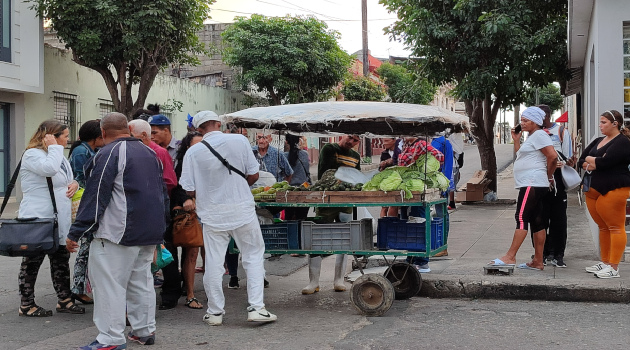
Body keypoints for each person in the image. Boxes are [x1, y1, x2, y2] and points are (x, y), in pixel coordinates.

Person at [67, 112, 169, 349]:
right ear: (128, 129)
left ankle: (110, 339)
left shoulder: (109, 153)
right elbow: (161, 194)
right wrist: (160, 234)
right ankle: (144, 331)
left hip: (117, 233)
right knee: (141, 282)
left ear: (103, 132)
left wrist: (76, 232)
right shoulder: (151, 153)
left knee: (109, 285)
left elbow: (95, 196)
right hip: (148, 232)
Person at [180, 110, 277, 325]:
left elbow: (188, 188)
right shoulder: (239, 140)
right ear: (217, 123)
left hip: (212, 215)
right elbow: (253, 174)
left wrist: (208, 191)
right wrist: (237, 187)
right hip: (241, 209)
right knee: (252, 256)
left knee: (214, 262)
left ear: (198, 128)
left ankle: (215, 312)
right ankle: (256, 308)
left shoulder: (192, 153)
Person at [17, 120, 84, 317]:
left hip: (58, 217)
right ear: (52, 137)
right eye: (64, 136)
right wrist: (54, 148)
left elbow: (65, 177)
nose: (68, 139)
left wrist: (74, 183)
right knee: (32, 262)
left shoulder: (58, 155)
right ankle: (26, 304)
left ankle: (64, 300)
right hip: (38, 218)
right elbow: (49, 170)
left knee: (61, 259)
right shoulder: (32, 154)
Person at [489, 106, 557, 271]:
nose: (522, 123)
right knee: (537, 221)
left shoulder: (539, 135)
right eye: (522, 120)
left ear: (536, 122)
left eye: (526, 120)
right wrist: (517, 140)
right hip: (534, 183)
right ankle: (538, 261)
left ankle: (510, 256)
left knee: (521, 217)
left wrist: (548, 176)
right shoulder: (533, 137)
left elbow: (553, 156)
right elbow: (523, 157)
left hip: (532, 183)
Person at [129, 119, 180, 310]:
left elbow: (170, 181)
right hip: (142, 208)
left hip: (158, 207)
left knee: (165, 250)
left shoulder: (159, 152)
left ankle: (171, 292)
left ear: (143, 135)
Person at [302, 135, 361, 295]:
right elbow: (327, 174)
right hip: (325, 203)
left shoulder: (356, 156)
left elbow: (357, 177)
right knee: (316, 240)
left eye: (355, 140)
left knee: (344, 241)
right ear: (343, 135)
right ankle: (313, 282)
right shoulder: (329, 149)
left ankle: (339, 280)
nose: (351, 142)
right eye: (350, 138)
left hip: (345, 205)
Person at [579, 110, 630, 278]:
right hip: (593, 189)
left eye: (603, 123)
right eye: (600, 122)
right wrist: (593, 162)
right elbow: (581, 159)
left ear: (615, 124)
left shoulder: (622, 142)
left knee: (615, 227)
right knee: (603, 227)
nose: (600, 126)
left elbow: (606, 162)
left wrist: (593, 161)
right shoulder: (599, 140)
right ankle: (605, 261)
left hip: (614, 188)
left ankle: (613, 267)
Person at [68, 119, 105, 306]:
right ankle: (78, 287)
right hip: (83, 202)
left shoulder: (91, 150)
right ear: (96, 137)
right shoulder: (82, 152)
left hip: (87, 202)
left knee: (87, 246)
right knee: (85, 247)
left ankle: (80, 286)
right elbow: (81, 178)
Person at [396, 136, 445, 272]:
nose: (405, 134)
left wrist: (419, 165)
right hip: (407, 189)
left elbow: (440, 156)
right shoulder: (406, 145)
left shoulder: (421, 144)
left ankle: (422, 261)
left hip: (418, 189)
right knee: (409, 225)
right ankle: (411, 258)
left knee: (419, 223)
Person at [170, 131, 205, 308]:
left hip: (211, 212)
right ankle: (190, 294)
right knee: (192, 253)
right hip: (192, 213)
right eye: (195, 145)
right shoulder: (183, 164)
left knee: (210, 254)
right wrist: (187, 199)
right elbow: (177, 187)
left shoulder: (213, 162)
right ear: (188, 147)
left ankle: (211, 291)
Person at [538, 104, 574, 268]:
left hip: (557, 179)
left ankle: (558, 253)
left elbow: (570, 158)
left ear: (546, 116)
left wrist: (563, 162)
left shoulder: (560, 132)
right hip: (540, 178)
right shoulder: (535, 133)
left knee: (558, 218)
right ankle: (542, 253)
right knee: (540, 217)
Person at [284, 133, 311, 220]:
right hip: (304, 190)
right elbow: (306, 172)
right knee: (302, 219)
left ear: (286, 142)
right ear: (299, 141)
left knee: (289, 220)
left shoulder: (283, 156)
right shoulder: (305, 154)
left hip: (289, 192)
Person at [379, 137, 402, 218]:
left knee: (394, 204)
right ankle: (383, 224)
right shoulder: (384, 153)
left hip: (397, 181)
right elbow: (380, 169)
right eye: (383, 141)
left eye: (386, 141)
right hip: (387, 181)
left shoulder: (400, 150)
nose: (384, 143)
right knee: (384, 206)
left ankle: (391, 223)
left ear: (394, 141)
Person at [448, 132, 465, 209]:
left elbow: (455, 150)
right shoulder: (457, 136)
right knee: (451, 184)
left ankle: (451, 202)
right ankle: (451, 202)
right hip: (454, 164)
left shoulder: (454, 136)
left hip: (452, 164)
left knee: (450, 184)